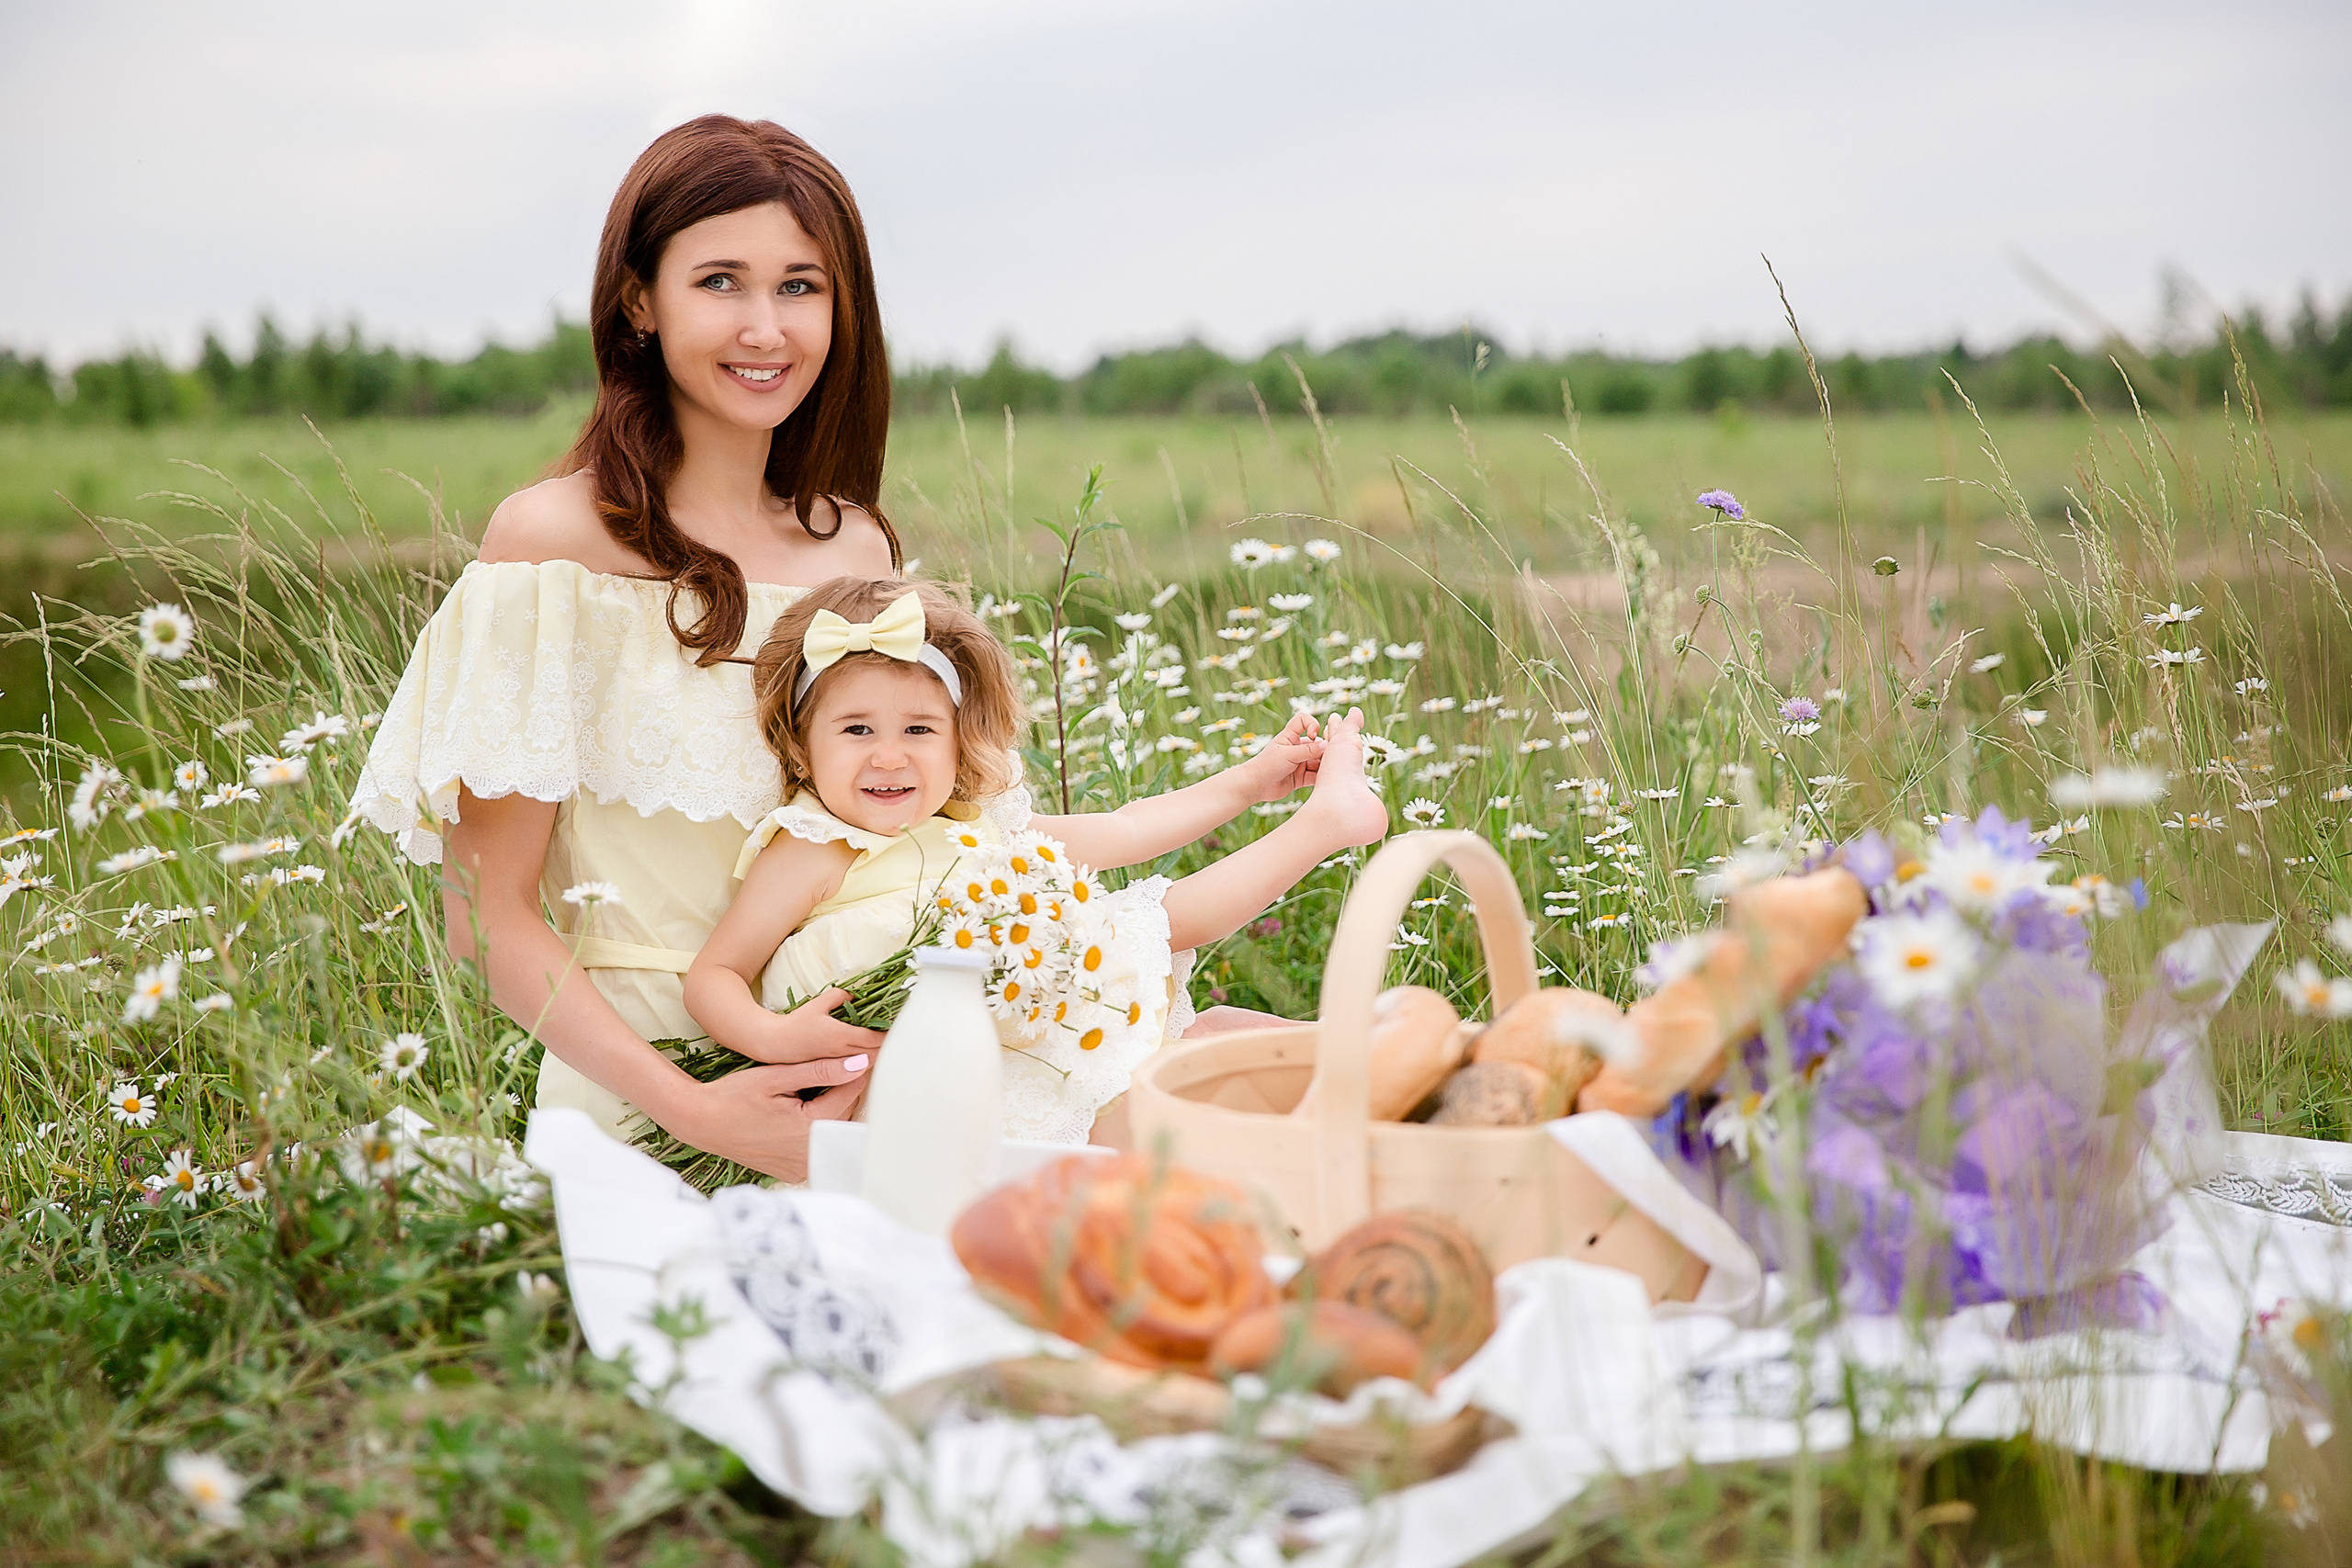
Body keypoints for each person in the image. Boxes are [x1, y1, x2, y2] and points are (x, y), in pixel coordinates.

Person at [349, 116, 913, 1182]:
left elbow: (921, 827)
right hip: (649, 1092)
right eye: (721, 283)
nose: (766, 327)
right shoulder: (551, 544)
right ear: (638, 302)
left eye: (802, 287)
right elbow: (488, 919)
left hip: (863, 1061)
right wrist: (701, 1113)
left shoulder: (859, 546)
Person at [682, 577, 1391, 1145]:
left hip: (1050, 1036)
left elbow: (1126, 826)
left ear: (958, 742)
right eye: (857, 728)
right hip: (972, 1093)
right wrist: (774, 1037)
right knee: (1193, 1086)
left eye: (919, 729)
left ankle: (1404, 1056)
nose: (889, 754)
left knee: (1218, 1025)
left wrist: (1247, 782)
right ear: (803, 746)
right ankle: (1326, 831)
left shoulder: (970, 826)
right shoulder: (814, 845)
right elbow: (716, 974)